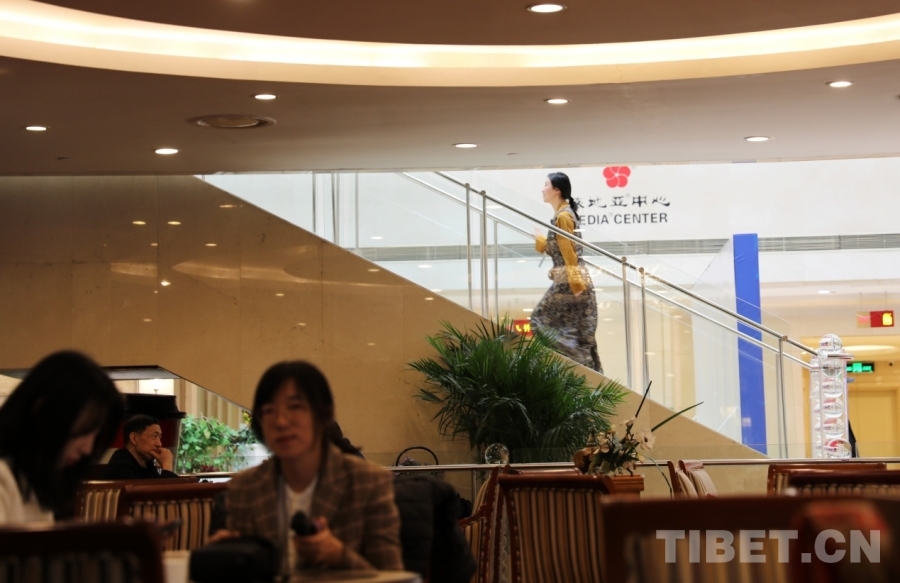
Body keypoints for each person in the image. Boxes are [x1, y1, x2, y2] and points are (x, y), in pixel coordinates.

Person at [214, 361, 402, 574]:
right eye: (269, 410)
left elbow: (393, 577)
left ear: (324, 414)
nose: (281, 422)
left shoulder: (368, 482)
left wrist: (339, 555)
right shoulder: (245, 486)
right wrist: (226, 558)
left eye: (295, 407)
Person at [0, 351, 123, 524]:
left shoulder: (34, 483)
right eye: (84, 429)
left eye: (96, 435)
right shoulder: (4, 477)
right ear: (42, 411)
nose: (87, 449)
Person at [531, 172, 603, 373]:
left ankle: (575, 368)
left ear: (557, 190)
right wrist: (540, 240)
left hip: (570, 282)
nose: (542, 189)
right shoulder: (562, 214)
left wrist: (576, 284)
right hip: (570, 280)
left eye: (546, 185)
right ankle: (581, 370)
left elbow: (569, 252)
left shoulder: (563, 216)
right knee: (575, 333)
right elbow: (561, 249)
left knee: (540, 321)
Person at [104, 414, 178, 479]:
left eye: (159, 437)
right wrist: (167, 465)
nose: (159, 444)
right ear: (134, 438)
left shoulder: (148, 464)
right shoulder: (120, 468)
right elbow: (160, 491)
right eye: (154, 436)